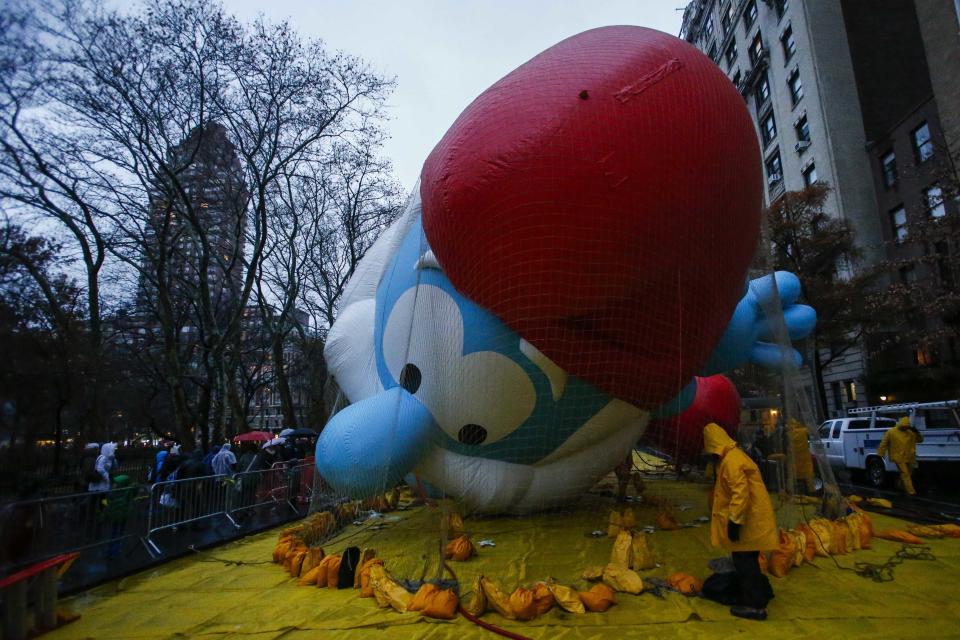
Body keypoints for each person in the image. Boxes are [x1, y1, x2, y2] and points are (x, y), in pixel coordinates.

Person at [704, 422, 778, 621]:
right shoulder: (732, 457)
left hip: (747, 521)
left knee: (745, 562)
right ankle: (755, 597)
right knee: (747, 560)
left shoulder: (731, 462)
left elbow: (740, 492)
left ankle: (755, 606)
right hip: (751, 519)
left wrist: (735, 521)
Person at [877, 416, 923, 496]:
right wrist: (880, 454)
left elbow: (920, 440)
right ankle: (911, 491)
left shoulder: (910, 432)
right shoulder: (891, 432)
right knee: (905, 473)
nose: (905, 428)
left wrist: (916, 432)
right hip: (899, 457)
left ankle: (900, 485)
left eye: (907, 427)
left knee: (908, 473)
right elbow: (884, 443)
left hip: (909, 456)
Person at [787, 419, 815, 495]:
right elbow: (812, 430)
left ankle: (795, 492)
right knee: (807, 476)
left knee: (794, 475)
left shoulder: (789, 434)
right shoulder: (803, 431)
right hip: (804, 457)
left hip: (794, 458)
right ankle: (809, 491)